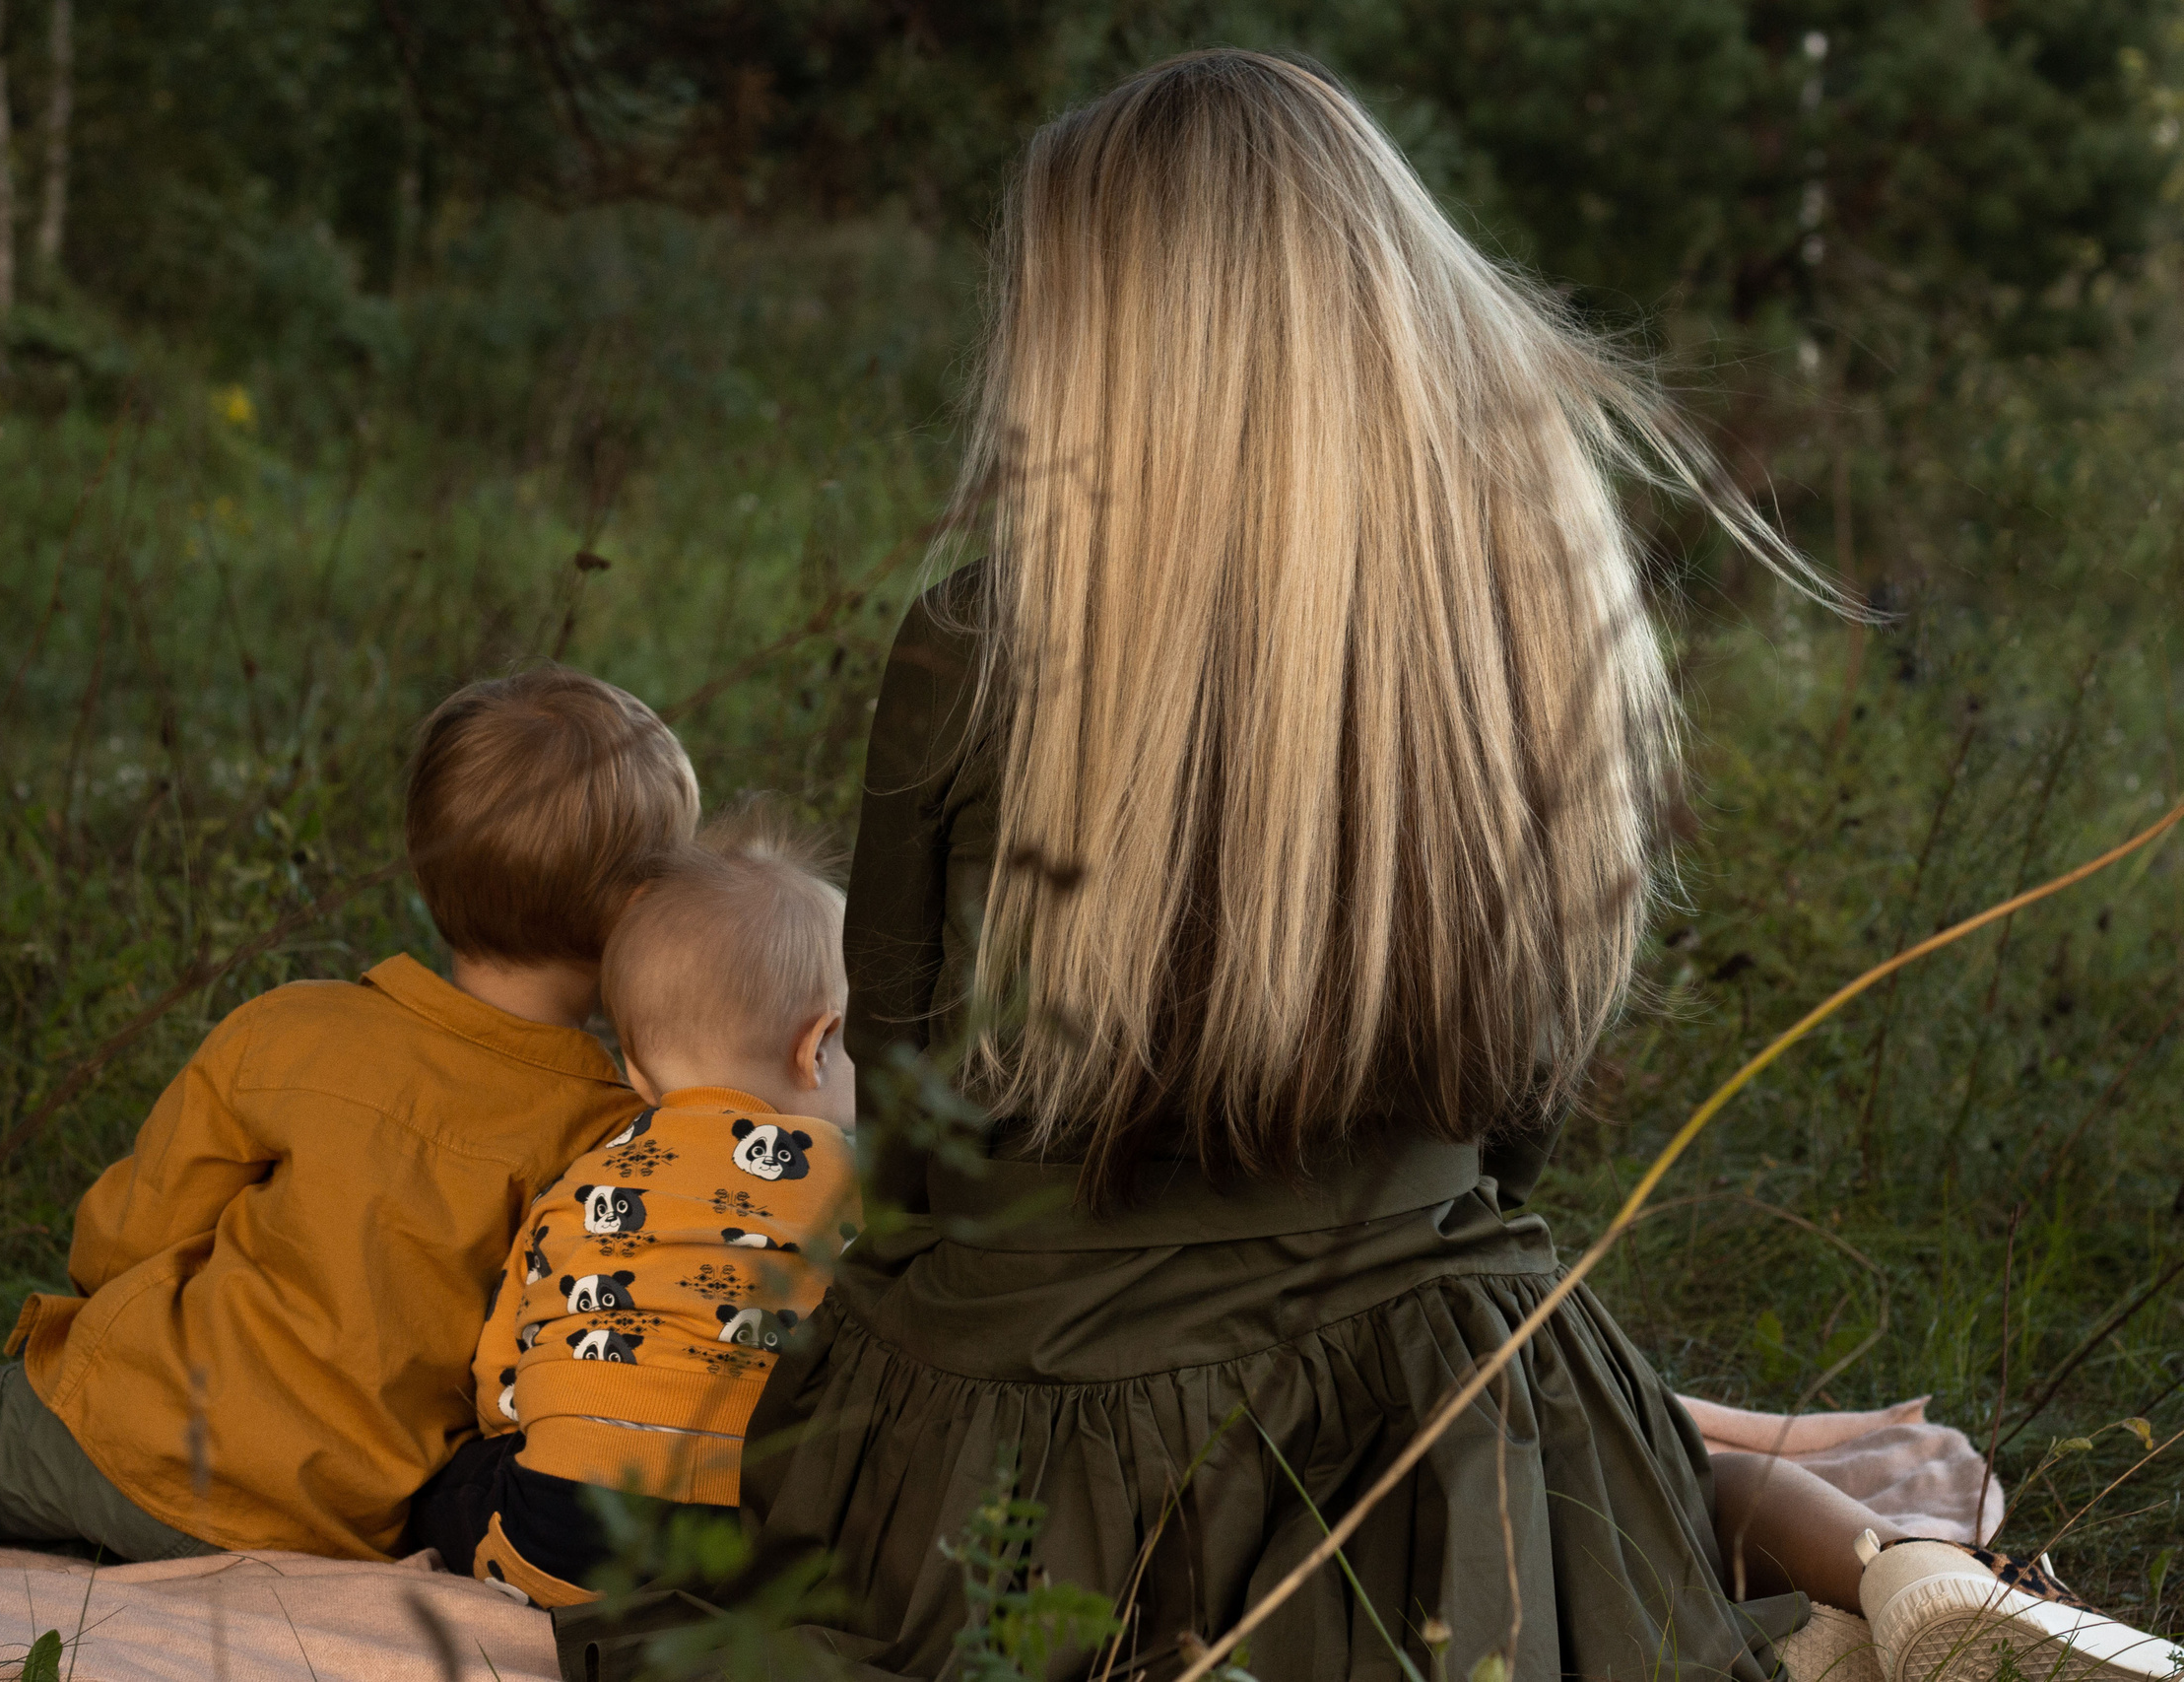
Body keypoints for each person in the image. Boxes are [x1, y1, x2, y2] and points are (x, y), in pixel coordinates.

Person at [563, 50, 2154, 1682]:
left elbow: (908, 1117)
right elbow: (1517, 1114)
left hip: (1037, 1435)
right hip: (1446, 1404)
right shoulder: (1520, 619)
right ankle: (1900, 1590)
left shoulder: (981, 642)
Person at [0, 667, 697, 1574]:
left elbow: (128, 1228)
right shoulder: (613, 1135)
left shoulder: (298, 1030)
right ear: (637, 911)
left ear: (427, 865)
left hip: (127, 1437)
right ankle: (33, 1541)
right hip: (332, 1520)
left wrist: (104, 1312)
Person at [403, 810, 861, 1607]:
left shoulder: (578, 1181)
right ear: (817, 1044)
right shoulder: (851, 1176)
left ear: (636, 1071)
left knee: (448, 1484)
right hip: (748, 1553)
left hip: (553, 1548)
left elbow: (498, 1378)